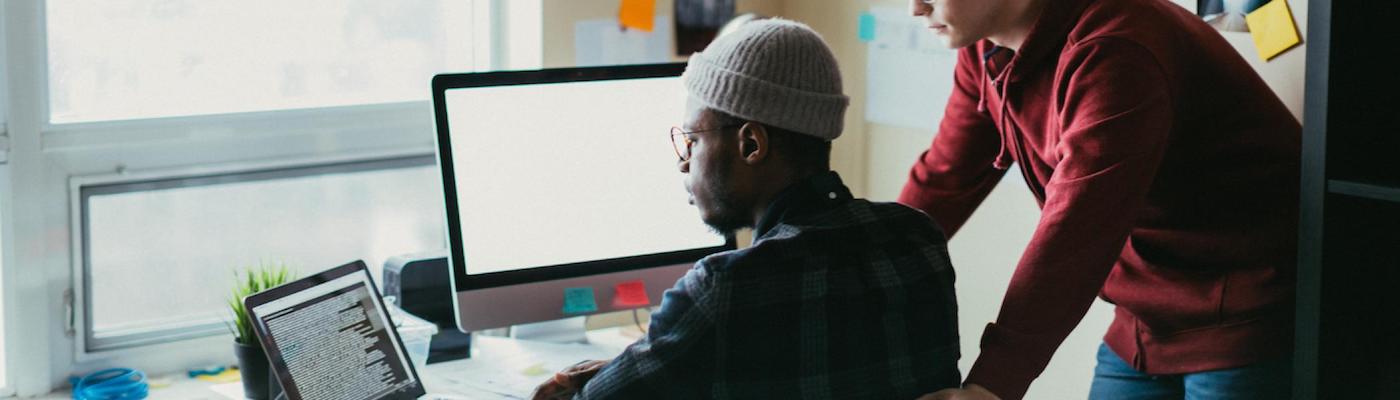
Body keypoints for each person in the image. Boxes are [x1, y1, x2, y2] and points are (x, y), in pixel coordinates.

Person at [532, 19, 962, 399]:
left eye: (692, 140)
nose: (683, 161)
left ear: (751, 144)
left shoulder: (723, 289)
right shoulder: (917, 238)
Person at [900, 0, 1301, 399]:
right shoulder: (986, 51)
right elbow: (945, 178)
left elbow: (1076, 231)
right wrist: (858, 258)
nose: (915, 9)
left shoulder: (1116, 44)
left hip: (1246, 317)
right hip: (1145, 320)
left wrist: (993, 384)